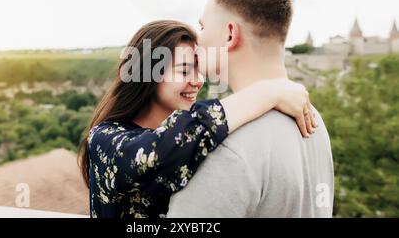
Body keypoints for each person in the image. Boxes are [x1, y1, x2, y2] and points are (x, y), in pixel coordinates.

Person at [79, 19, 316, 218]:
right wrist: (267, 92)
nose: (197, 80)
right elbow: (159, 154)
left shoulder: (190, 137)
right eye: (184, 70)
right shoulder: (104, 139)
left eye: (198, 69)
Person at [167, 0, 334, 218]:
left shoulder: (222, 144)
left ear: (230, 35)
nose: (197, 39)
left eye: (202, 27)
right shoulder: (313, 120)